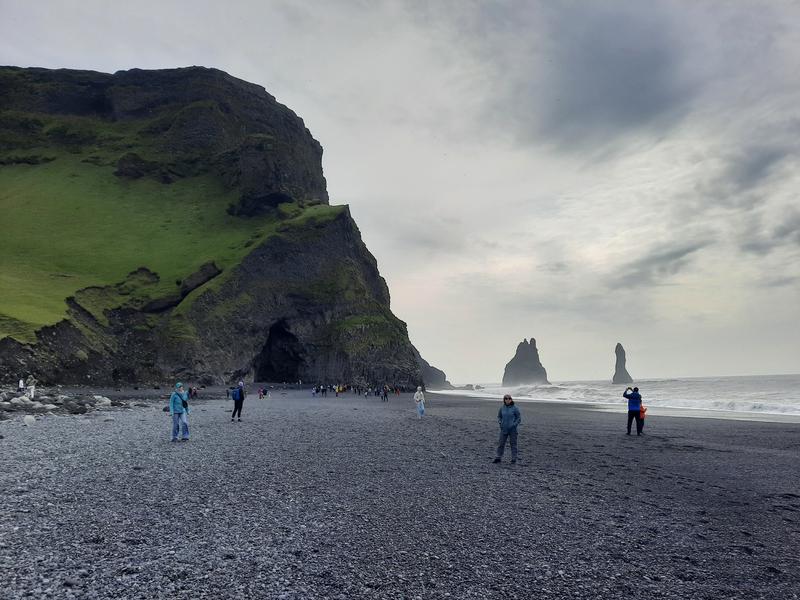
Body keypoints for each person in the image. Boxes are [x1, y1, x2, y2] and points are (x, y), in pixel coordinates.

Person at [494, 394, 521, 464]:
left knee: (513, 444)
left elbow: (519, 418)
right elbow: (499, 416)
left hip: (513, 429)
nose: (507, 400)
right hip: (503, 429)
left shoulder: (515, 408)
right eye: (506, 398)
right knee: (501, 444)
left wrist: (514, 425)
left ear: (511, 399)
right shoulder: (502, 408)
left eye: (509, 398)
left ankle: (513, 459)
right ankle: (498, 457)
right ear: (504, 400)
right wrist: (500, 423)